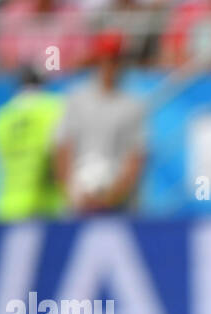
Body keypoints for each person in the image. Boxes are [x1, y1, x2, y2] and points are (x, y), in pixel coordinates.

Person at [55, 30, 146, 213]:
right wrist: (72, 191)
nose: (110, 65)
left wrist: (113, 196)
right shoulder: (76, 98)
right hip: (79, 200)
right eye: (106, 59)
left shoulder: (132, 105)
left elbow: (136, 156)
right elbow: (63, 148)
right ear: (97, 60)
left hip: (119, 204)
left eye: (115, 59)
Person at [0, 67, 65, 222]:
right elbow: (60, 155)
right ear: (42, 85)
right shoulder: (54, 108)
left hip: (7, 205)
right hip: (45, 205)